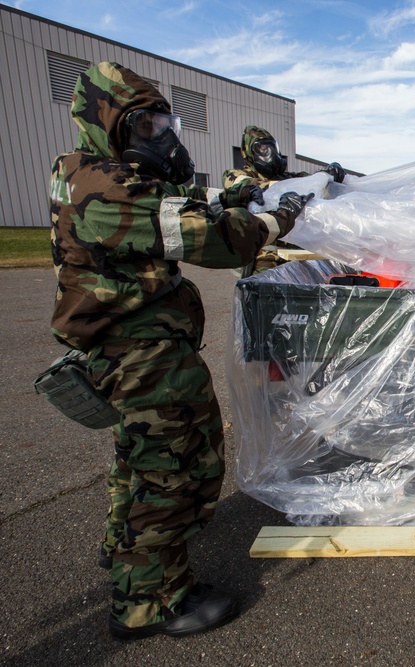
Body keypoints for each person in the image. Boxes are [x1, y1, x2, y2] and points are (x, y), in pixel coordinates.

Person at [48, 62, 313, 640]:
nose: (161, 138)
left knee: (139, 467)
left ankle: (130, 565)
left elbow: (185, 198)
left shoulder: (90, 173)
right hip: (144, 355)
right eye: (146, 127)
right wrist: (279, 218)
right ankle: (152, 603)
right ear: (108, 123)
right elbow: (212, 238)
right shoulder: (106, 188)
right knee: (174, 470)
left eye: (163, 124)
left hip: (136, 351)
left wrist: (239, 191)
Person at [222, 125, 346, 275]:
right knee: (264, 290)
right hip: (266, 253)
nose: (269, 154)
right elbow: (249, 186)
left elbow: (311, 181)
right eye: (262, 149)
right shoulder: (237, 175)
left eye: (272, 148)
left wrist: (327, 174)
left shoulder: (287, 177)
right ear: (249, 152)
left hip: (295, 251)